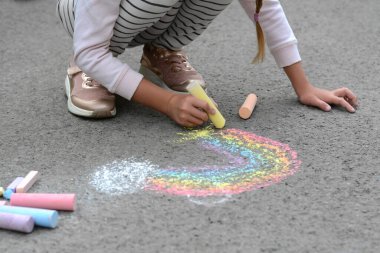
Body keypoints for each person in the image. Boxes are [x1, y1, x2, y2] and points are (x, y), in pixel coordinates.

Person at [56, 0, 358, 127]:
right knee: (94, 54)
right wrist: (168, 102)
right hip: (86, 25)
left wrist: (303, 86)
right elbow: (90, 50)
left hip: (145, 15)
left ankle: (160, 50)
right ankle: (83, 69)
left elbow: (266, 9)